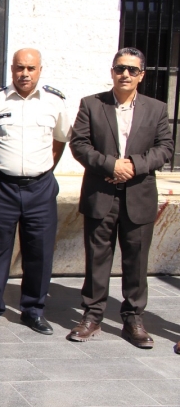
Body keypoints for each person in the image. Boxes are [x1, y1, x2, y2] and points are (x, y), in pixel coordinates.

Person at [68, 47, 173, 348]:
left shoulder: (156, 108)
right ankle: (92, 316)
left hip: (139, 195)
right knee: (97, 258)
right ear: (112, 71)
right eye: (120, 68)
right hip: (100, 193)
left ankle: (133, 318)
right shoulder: (92, 104)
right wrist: (111, 166)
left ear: (142, 75)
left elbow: (165, 148)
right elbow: (79, 144)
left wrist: (133, 166)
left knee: (136, 261)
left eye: (132, 70)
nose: (125, 74)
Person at [0, 48, 72, 335]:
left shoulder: (54, 102)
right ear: (12, 69)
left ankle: (33, 310)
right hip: (0, 186)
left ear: (40, 70)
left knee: (39, 251)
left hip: (40, 188)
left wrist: (45, 168)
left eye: (30, 68)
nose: (25, 74)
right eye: (19, 68)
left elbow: (61, 139)